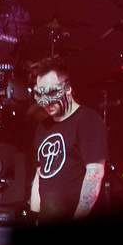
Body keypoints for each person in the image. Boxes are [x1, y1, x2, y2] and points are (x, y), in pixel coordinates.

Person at [25, 58, 108, 221]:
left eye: (50, 93)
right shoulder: (43, 126)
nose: (45, 102)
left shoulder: (88, 121)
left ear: (68, 89)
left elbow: (94, 174)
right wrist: (33, 217)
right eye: (40, 94)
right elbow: (40, 175)